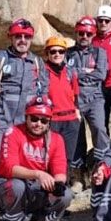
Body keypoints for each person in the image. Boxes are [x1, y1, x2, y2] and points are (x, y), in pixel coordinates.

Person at [0, 18, 47, 221]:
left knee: (22, 165)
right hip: (1, 123)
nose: (22, 40)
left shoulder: (37, 63)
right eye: (18, 36)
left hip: (27, 127)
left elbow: (44, 96)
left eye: (26, 37)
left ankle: (17, 210)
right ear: (10, 37)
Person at [0, 95, 73, 221]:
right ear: (26, 117)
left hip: (36, 188)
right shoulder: (13, 132)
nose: (38, 124)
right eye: (34, 119)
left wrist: (57, 185)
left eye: (44, 120)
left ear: (49, 122)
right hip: (10, 185)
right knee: (17, 186)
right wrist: (38, 174)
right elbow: (8, 167)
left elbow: (59, 169)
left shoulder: (56, 139)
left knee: (66, 195)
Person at [68, 16, 109, 185]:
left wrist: (78, 73)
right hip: (74, 98)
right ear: (76, 33)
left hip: (95, 97)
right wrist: (86, 72)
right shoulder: (68, 53)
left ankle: (101, 169)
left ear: (93, 35)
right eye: (81, 33)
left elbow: (101, 74)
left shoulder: (100, 52)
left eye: (88, 34)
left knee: (99, 129)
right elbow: (67, 74)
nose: (84, 36)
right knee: (77, 135)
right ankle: (78, 176)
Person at [41, 36, 82, 180]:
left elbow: (75, 94)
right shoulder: (42, 72)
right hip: (52, 120)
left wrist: (77, 113)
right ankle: (48, 184)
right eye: (53, 51)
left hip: (70, 120)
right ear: (47, 53)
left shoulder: (70, 72)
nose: (57, 54)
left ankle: (64, 184)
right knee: (50, 154)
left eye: (61, 51)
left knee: (68, 156)